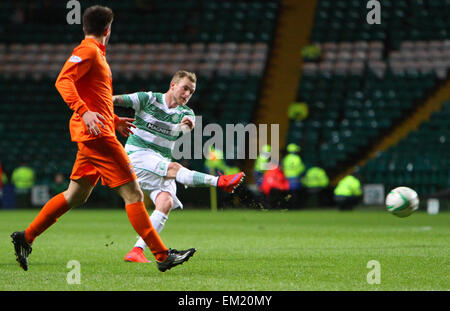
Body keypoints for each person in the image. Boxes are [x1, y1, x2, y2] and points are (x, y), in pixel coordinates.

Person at [10, 5, 195, 273]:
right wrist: (84, 112)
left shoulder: (96, 54)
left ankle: (25, 237)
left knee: (76, 195)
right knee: (133, 193)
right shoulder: (88, 51)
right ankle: (162, 255)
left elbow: (95, 96)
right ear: (108, 29)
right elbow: (63, 81)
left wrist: (113, 119)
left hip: (98, 132)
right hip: (97, 137)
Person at [112, 70, 245, 262]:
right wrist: (112, 119)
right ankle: (220, 182)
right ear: (173, 85)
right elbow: (113, 100)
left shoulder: (186, 112)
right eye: (185, 88)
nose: (187, 94)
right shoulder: (147, 99)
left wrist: (185, 126)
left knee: (165, 202)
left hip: (159, 160)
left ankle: (137, 250)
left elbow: (186, 126)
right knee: (174, 168)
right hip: (137, 157)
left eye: (191, 92)